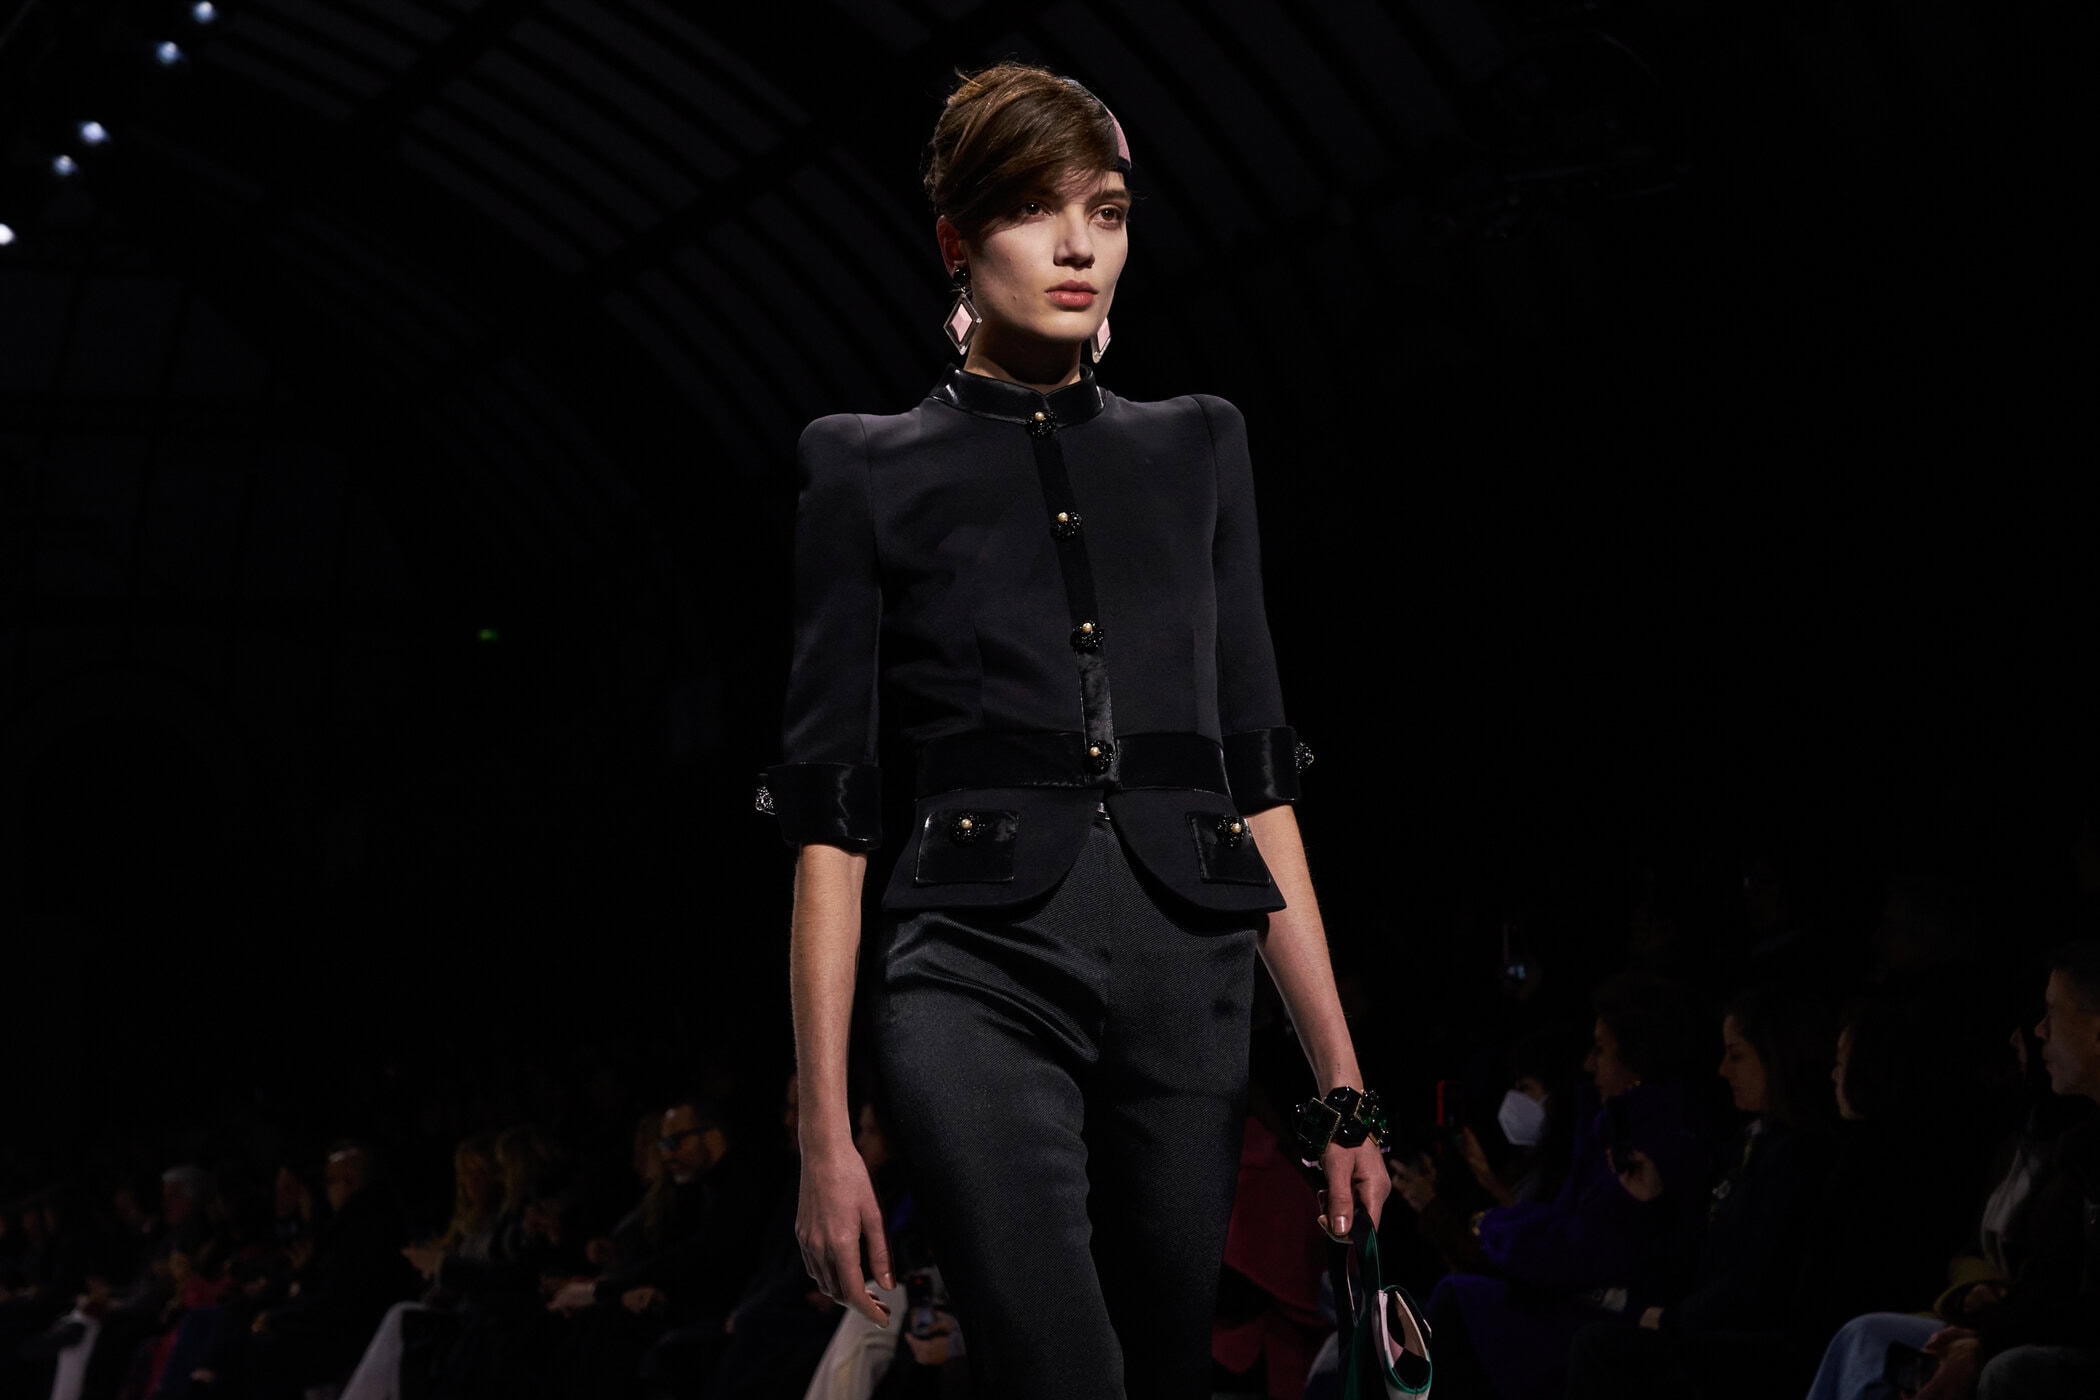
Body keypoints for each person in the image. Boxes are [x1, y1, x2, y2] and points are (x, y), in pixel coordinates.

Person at [761, 60, 1388, 1400]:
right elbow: (829, 816)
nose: (1076, 247)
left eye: (1103, 211)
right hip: (975, 974)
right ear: (955, 240)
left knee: (1163, 1372)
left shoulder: (1201, 445)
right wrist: (824, 1132)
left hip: (1192, 979)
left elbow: (1259, 776)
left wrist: (1341, 1090)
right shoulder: (859, 463)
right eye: (1033, 211)